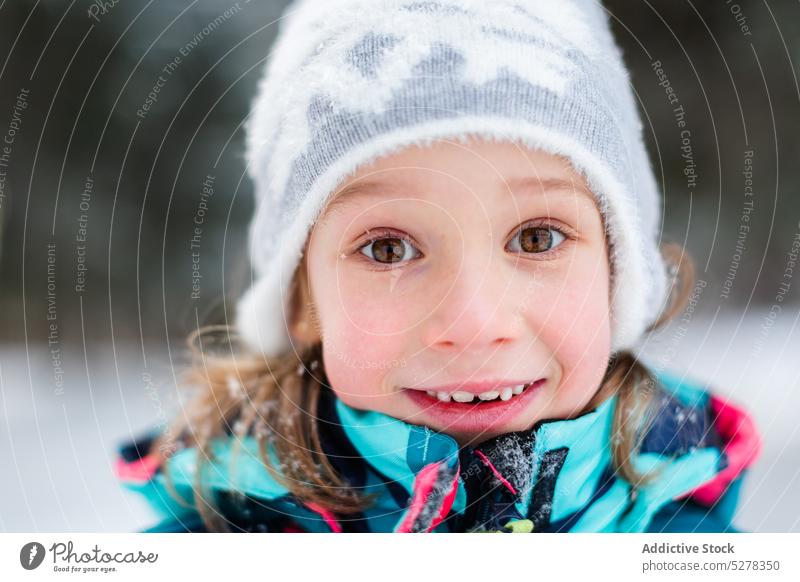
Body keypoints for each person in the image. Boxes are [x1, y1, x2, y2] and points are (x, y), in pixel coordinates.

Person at [116, 0, 761, 533]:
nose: (473, 324)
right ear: (301, 300)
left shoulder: (683, 532)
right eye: (388, 249)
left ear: (619, 277)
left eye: (537, 238)